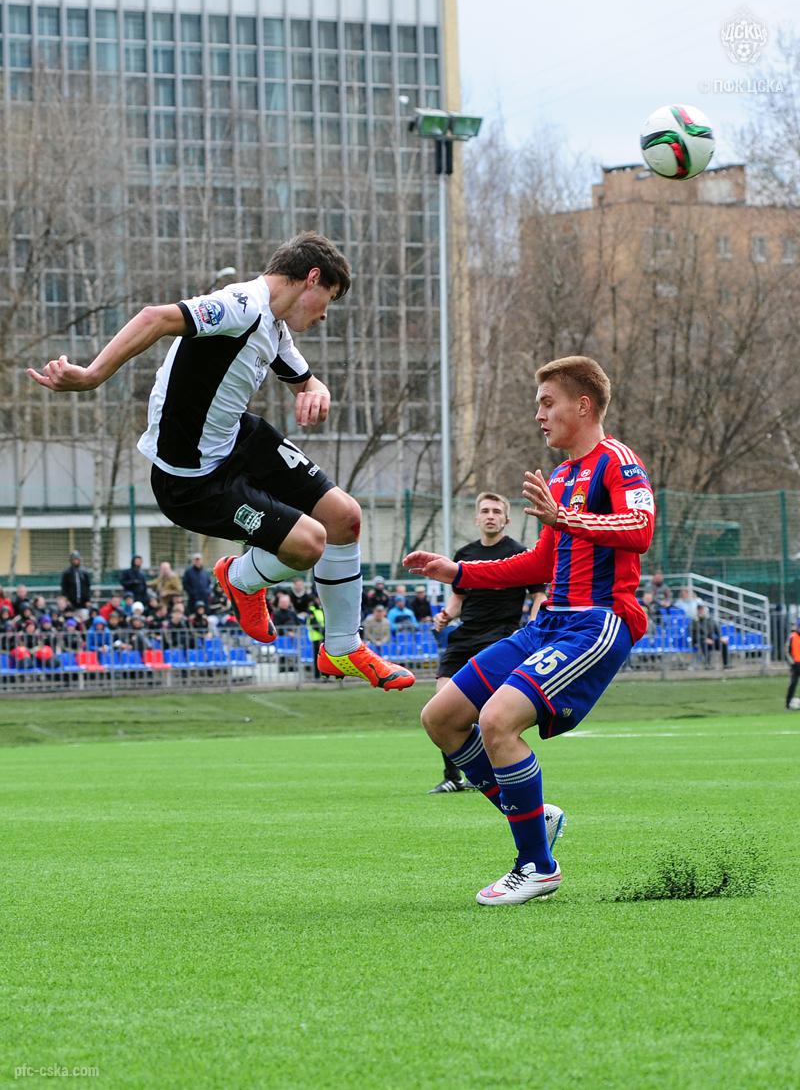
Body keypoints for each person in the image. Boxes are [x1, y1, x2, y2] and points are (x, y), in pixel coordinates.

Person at [28, 232, 413, 693]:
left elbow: (305, 380)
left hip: (238, 439)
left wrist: (317, 390)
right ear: (312, 278)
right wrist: (91, 376)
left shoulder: (273, 325)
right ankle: (239, 578)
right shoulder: (239, 306)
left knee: (345, 517)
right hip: (193, 481)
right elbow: (154, 317)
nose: (325, 314)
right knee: (310, 544)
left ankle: (343, 648)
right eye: (328, 300)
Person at [403, 356, 654, 906]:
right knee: (440, 718)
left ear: (582, 405)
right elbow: (541, 562)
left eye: (547, 402)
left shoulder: (618, 461)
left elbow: (641, 528)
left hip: (595, 623)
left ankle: (537, 866)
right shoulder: (560, 477)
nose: (538, 414)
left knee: (497, 722)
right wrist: (460, 572)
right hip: (546, 624)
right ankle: (539, 820)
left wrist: (567, 519)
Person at [427, 490, 547, 795]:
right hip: (464, 637)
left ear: (506, 519)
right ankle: (453, 777)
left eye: (496, 511)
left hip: (499, 637)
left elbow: (539, 595)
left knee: (485, 712)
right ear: (476, 518)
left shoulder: (520, 553)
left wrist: (534, 624)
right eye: (485, 511)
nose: (490, 516)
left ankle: (493, 773)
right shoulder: (464, 555)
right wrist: (445, 615)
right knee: (440, 707)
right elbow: (458, 598)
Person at [690, 603, 730, 669]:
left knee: (723, 643)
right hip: (700, 641)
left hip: (711, 641)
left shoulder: (710, 620)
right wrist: (704, 639)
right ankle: (707, 664)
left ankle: (726, 664)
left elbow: (717, 631)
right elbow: (694, 634)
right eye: (700, 610)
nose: (701, 611)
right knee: (704, 643)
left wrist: (721, 638)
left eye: (702, 610)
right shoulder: (694, 621)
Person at [785, 620, 800, 710]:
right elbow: (787, 652)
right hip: (795, 665)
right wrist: (792, 663)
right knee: (793, 684)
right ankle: (788, 704)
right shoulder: (792, 637)